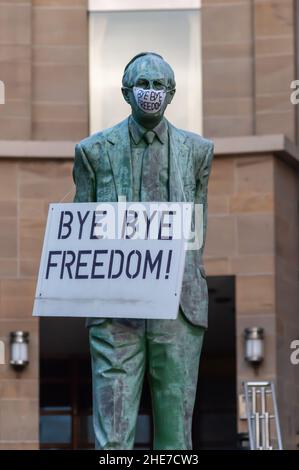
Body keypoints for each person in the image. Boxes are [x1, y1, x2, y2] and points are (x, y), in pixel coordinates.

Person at [73, 52, 214, 450]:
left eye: (158, 86)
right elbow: (81, 232)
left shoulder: (198, 151)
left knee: (176, 435)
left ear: (171, 94)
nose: (150, 93)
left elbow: (198, 229)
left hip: (178, 305)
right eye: (143, 84)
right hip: (115, 305)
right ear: (125, 92)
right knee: (113, 435)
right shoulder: (93, 151)